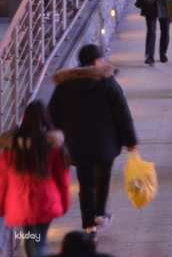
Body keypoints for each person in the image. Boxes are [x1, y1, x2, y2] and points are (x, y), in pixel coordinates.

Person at [46, 45, 137, 235]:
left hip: (77, 145)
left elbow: (52, 115)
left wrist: (63, 134)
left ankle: (88, 225)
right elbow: (122, 114)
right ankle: (100, 213)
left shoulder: (64, 86)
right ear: (96, 61)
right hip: (106, 145)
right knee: (103, 178)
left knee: (85, 184)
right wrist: (130, 140)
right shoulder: (108, 83)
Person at [0, 100, 71, 257]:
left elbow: (3, 182)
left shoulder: (9, 150)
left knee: (31, 240)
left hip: (19, 204)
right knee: (38, 242)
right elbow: (63, 180)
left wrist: (1, 206)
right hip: (46, 203)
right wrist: (65, 203)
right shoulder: (53, 148)